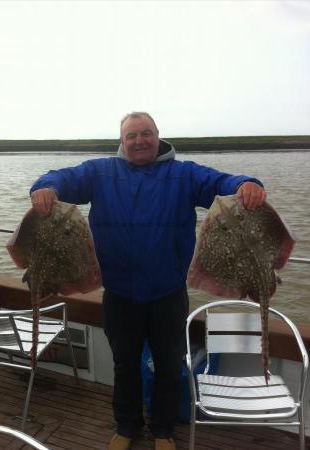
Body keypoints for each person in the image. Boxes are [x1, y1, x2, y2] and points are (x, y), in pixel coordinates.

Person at [30, 112, 266, 450]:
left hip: (167, 292)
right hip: (119, 292)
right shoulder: (100, 173)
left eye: (146, 133)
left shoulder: (183, 174)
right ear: (122, 142)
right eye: (131, 135)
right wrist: (45, 187)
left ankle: (162, 431)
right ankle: (126, 427)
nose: (139, 140)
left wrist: (246, 183)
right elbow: (63, 177)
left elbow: (220, 183)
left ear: (158, 137)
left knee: (169, 366)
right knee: (124, 364)